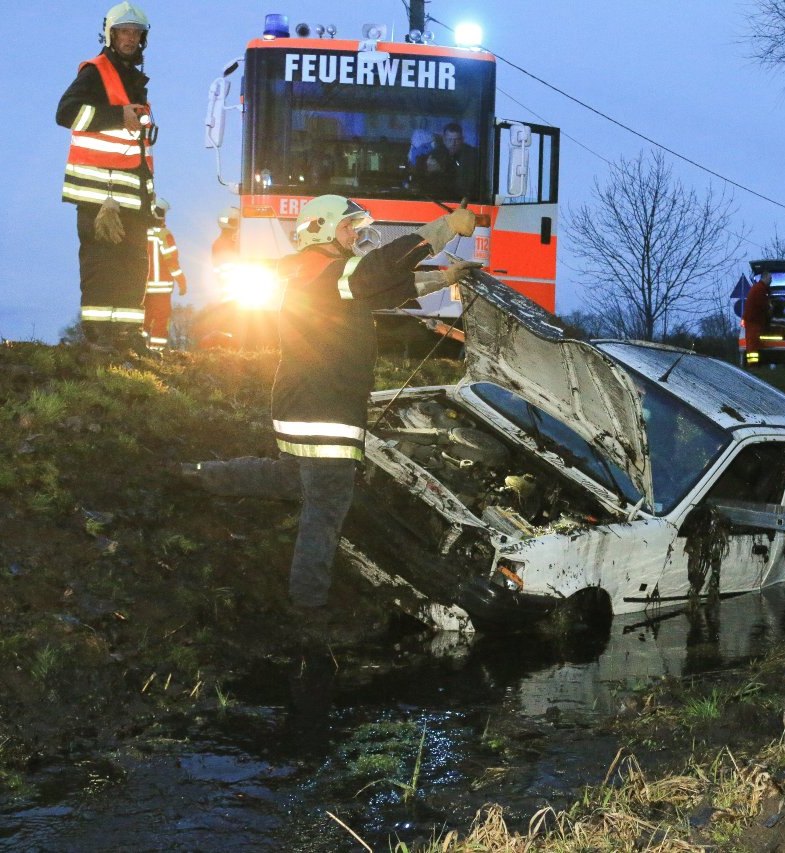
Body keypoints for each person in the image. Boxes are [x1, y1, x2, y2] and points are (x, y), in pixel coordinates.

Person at [179, 197, 479, 615]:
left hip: (302, 404)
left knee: (289, 479)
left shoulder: (321, 274)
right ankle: (307, 613)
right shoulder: (321, 268)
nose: (355, 236)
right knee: (325, 510)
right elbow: (382, 267)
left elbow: (387, 288)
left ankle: (197, 478)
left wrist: (445, 277)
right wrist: (444, 229)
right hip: (326, 411)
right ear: (319, 228)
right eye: (348, 228)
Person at [57, 2, 156, 350]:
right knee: (101, 263)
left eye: (135, 33)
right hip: (99, 196)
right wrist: (116, 115)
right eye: (124, 32)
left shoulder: (134, 79)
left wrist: (148, 200)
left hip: (131, 197)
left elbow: (138, 150)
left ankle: (126, 335)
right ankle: (98, 337)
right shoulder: (96, 71)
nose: (130, 38)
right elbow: (65, 113)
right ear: (111, 35)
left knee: (132, 264)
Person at [142, 197, 186, 352]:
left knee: (144, 321)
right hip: (161, 289)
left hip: (142, 288)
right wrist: (181, 281)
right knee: (161, 319)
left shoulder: (140, 233)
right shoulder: (164, 235)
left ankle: (139, 350)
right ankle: (156, 351)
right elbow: (172, 262)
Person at [421, 121, 478, 198]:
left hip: (467, 199)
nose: (453, 143)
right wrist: (428, 171)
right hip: (441, 199)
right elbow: (426, 183)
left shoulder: (472, 155)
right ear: (444, 140)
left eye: (457, 140)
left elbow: (468, 182)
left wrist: (440, 170)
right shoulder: (435, 155)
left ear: (462, 140)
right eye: (450, 140)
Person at [742, 271, 771, 368]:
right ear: (765, 277)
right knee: (752, 343)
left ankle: (753, 364)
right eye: (770, 279)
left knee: (753, 342)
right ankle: (753, 365)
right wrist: (770, 308)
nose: (771, 281)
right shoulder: (760, 289)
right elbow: (762, 305)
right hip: (753, 321)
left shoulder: (759, 288)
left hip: (753, 320)